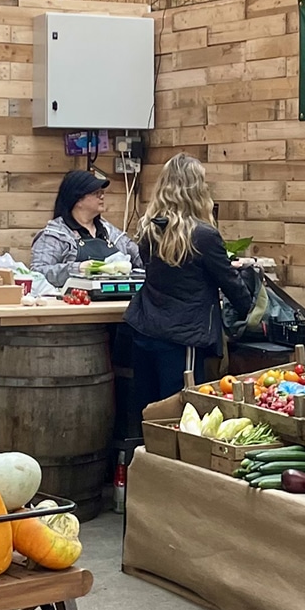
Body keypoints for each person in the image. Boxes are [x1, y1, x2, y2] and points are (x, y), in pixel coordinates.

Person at [123, 153, 257, 424]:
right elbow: (231, 286)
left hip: (145, 327)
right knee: (181, 414)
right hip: (183, 336)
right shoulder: (204, 235)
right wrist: (248, 286)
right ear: (196, 189)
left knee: (148, 412)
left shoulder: (150, 229)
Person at [31, 169, 140, 288]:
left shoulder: (111, 233)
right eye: (96, 193)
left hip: (117, 303)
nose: (102, 196)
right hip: (74, 303)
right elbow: (38, 273)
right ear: (77, 200)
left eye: (102, 192)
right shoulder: (56, 235)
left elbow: (140, 258)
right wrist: (76, 268)